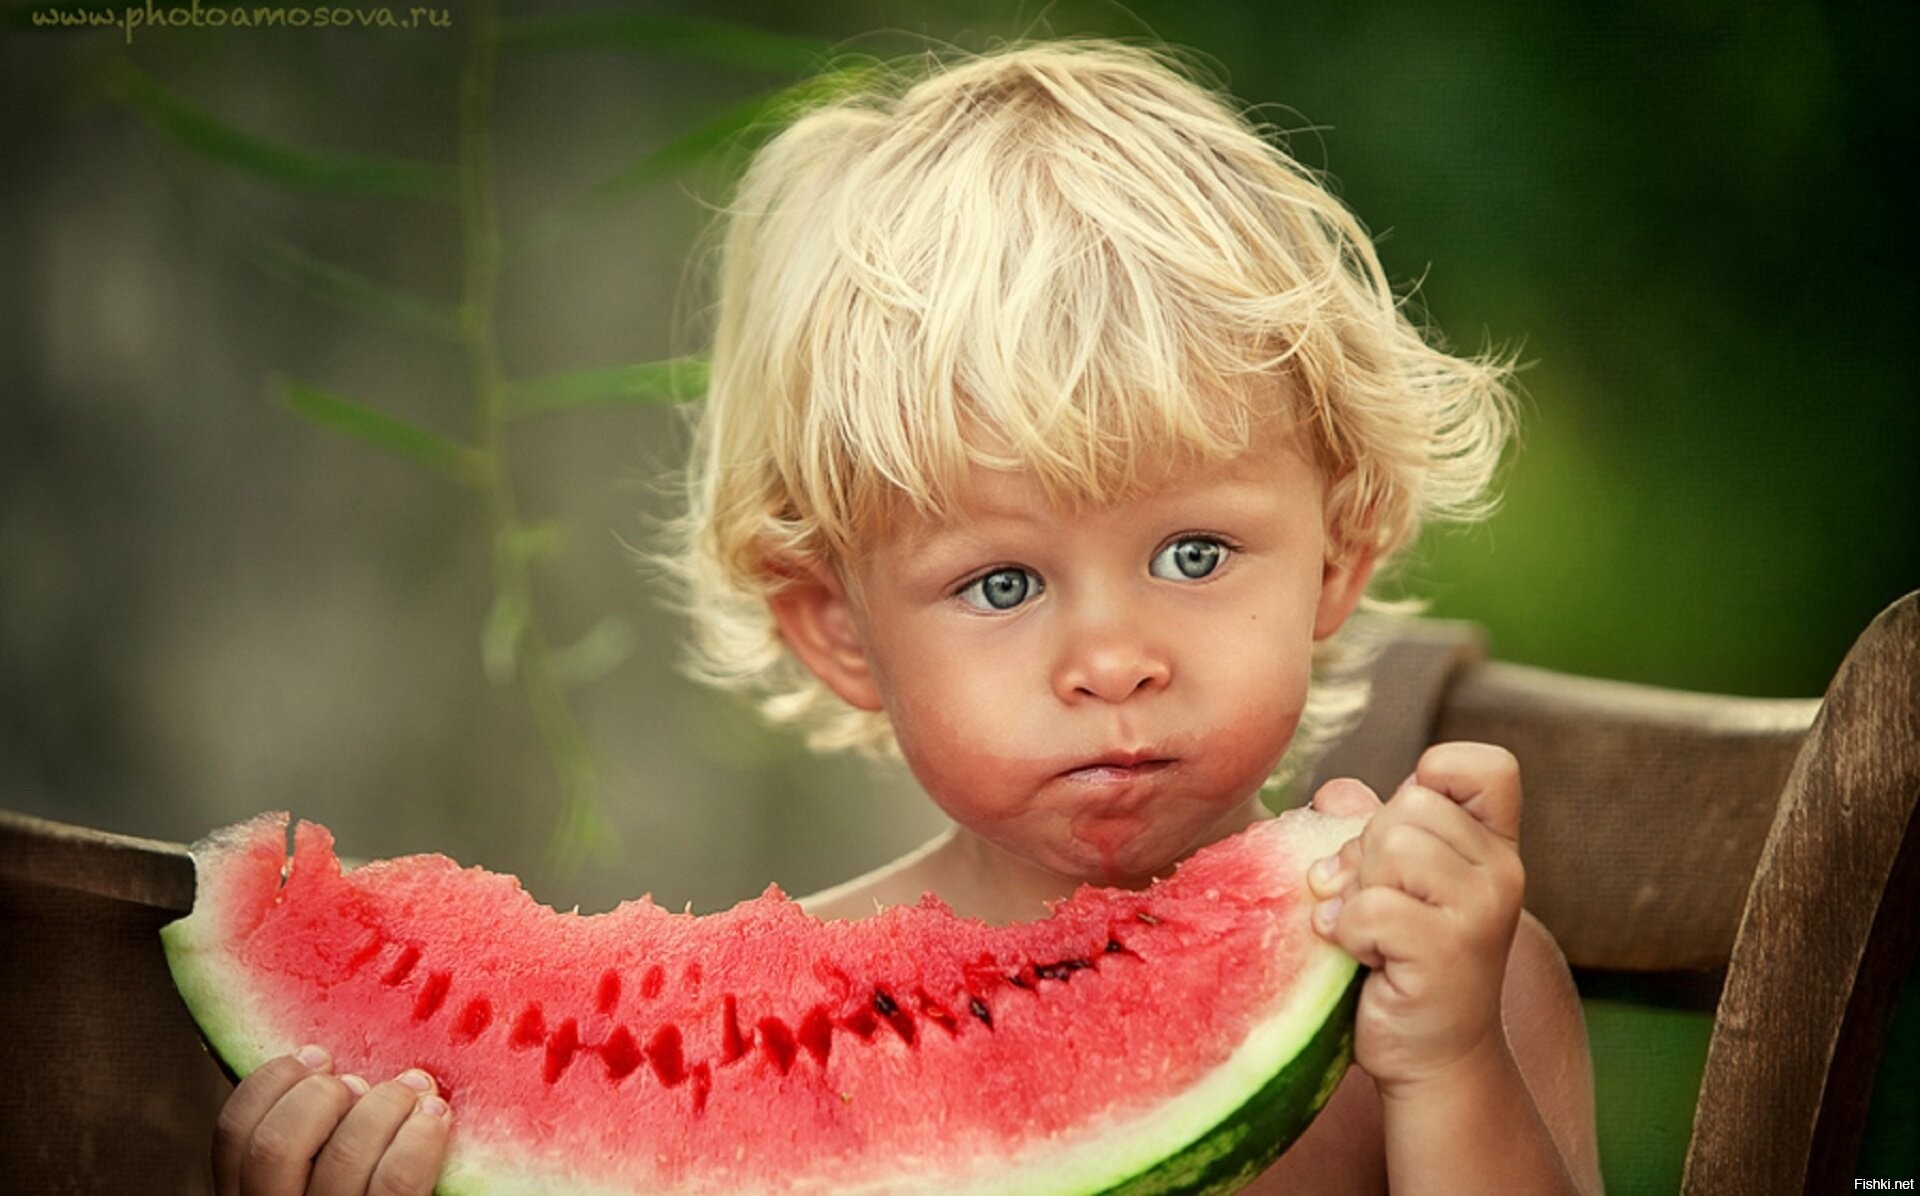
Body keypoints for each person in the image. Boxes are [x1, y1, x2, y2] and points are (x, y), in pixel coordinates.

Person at [211, 39, 1601, 1195]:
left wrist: (1454, 1068)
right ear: (835, 628)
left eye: (1193, 551)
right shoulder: (751, 1052)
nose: (1114, 659)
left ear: (1338, 556)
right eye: (1003, 584)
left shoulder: (1461, 983)